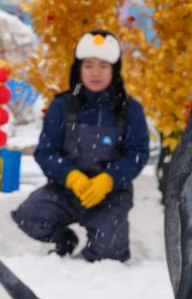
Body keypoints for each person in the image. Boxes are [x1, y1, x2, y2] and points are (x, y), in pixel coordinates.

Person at [12, 29, 149, 262]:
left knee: (110, 254)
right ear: (79, 69)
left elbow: (137, 154)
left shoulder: (129, 109)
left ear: (114, 70)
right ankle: (65, 239)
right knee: (29, 216)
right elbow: (45, 152)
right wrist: (71, 177)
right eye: (89, 65)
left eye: (104, 66)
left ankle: (99, 243)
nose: (96, 73)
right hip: (65, 191)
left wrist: (109, 180)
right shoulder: (62, 106)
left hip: (109, 195)